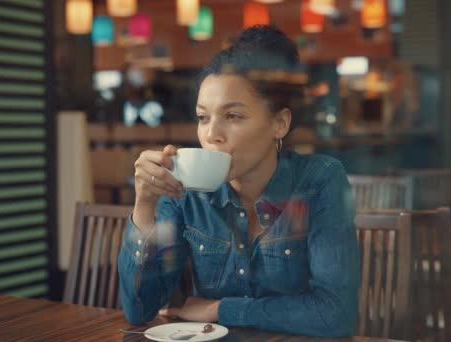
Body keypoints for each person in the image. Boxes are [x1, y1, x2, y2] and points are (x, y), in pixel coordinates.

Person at [118, 25, 360, 337]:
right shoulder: (186, 191)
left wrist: (219, 309)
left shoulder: (319, 181)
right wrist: (144, 205)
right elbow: (139, 309)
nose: (211, 134)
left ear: (279, 123)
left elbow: (335, 314)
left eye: (232, 116)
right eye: (203, 117)